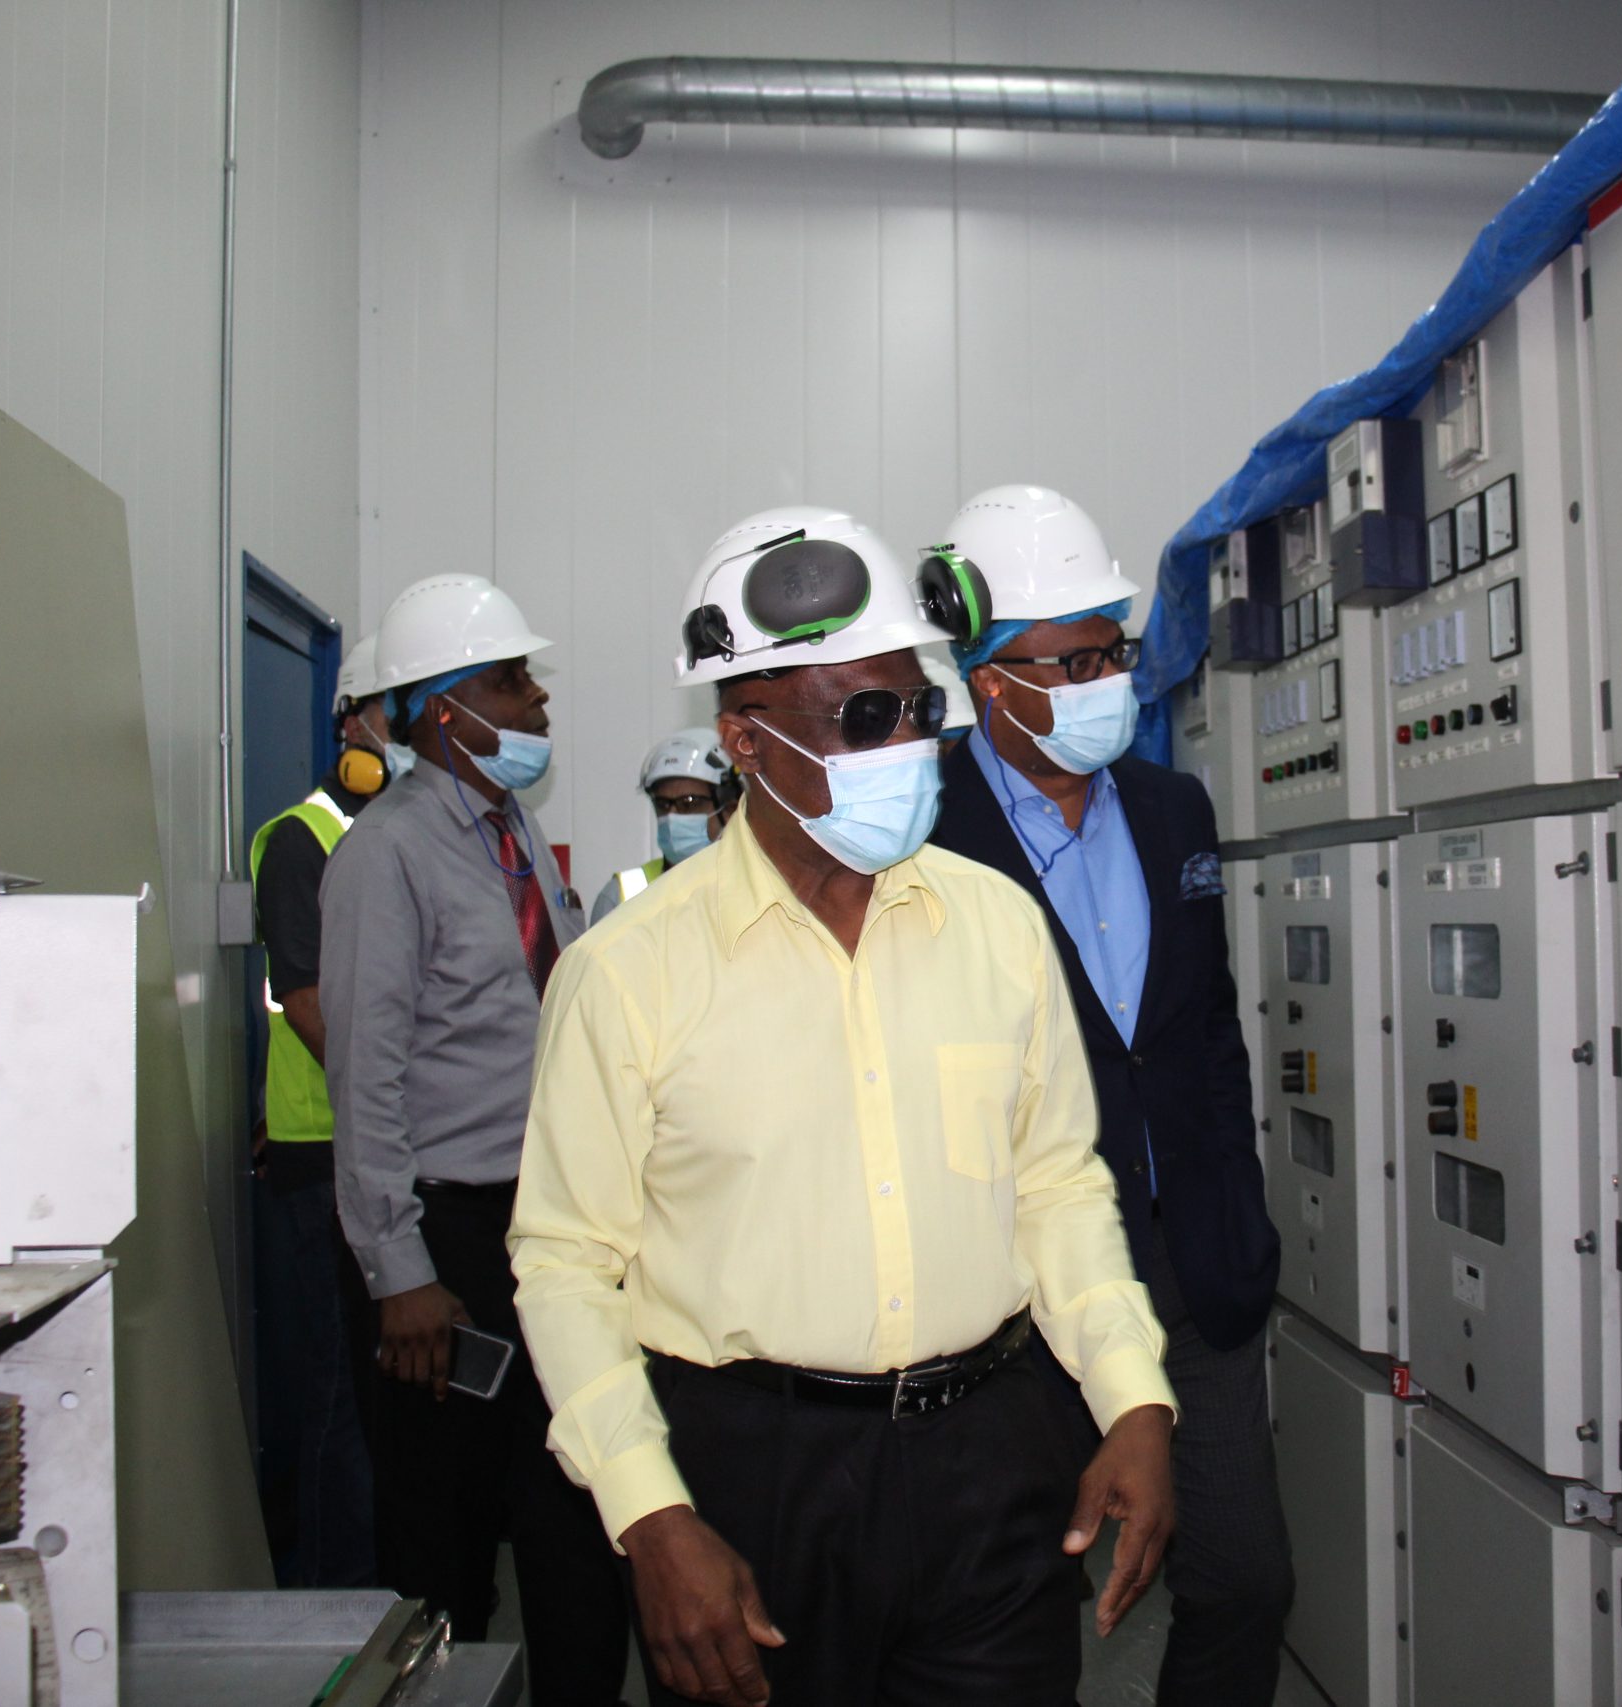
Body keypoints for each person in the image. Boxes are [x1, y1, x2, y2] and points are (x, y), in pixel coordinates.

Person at [510, 505, 1179, 1707]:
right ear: (747, 744)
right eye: (864, 717)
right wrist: (650, 1517)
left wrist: (1131, 1395)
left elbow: (1057, 1188)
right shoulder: (628, 972)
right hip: (749, 1472)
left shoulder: (996, 928)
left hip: (989, 1452)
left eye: (917, 707)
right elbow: (565, 1265)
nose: (909, 744)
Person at [927, 485, 1291, 1707]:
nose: (1104, 680)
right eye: (1068, 659)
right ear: (988, 679)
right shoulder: (920, 832)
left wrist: (1237, 1207)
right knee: (1015, 1626)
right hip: (1015, 1307)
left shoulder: (1171, 805)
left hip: (1193, 1272)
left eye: (1111, 650)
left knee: (1246, 1585)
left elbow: (1205, 1036)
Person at [317, 574, 630, 1705]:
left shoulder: (515, 833)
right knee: (443, 1542)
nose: (539, 698)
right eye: (512, 679)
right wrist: (400, 1274)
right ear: (447, 710)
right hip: (446, 1243)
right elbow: (365, 1079)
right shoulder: (384, 857)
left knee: (574, 1514)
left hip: (545, 1225)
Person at [247, 634, 403, 1589]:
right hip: (323, 1158)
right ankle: (328, 1605)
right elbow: (314, 1010)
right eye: (391, 713)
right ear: (350, 724)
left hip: (384, 1154)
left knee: (377, 1402)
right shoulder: (303, 837)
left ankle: (379, 1584)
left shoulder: (402, 837)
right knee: (336, 1399)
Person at [588, 727, 739, 925]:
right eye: (663, 804)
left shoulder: (756, 889)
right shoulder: (620, 896)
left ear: (728, 810)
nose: (672, 815)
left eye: (689, 802)